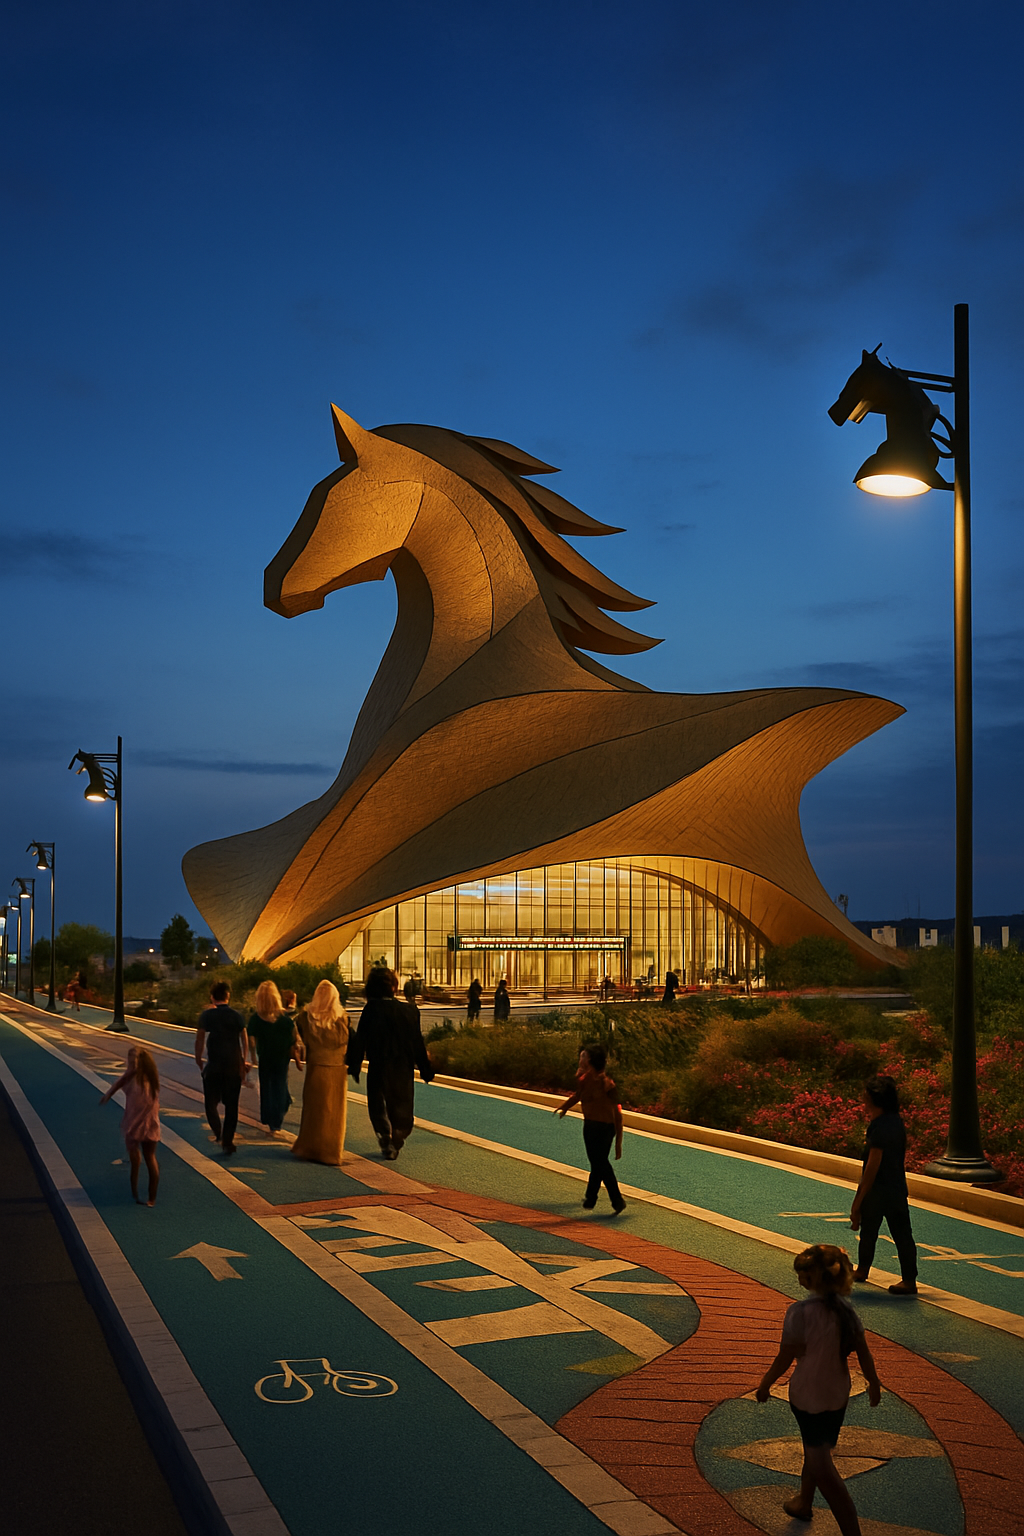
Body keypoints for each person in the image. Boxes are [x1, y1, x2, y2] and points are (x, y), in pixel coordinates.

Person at [756, 1244, 882, 1535]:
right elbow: (863, 1351)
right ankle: (804, 1501)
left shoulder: (799, 1312)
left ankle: (851, 1529)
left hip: (808, 1392)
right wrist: (873, 1383)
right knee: (818, 1447)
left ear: (811, 1279)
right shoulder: (847, 1313)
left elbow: (786, 1354)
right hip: (837, 1392)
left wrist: (766, 1383)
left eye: (803, 1274)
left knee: (823, 1466)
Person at [349, 967, 433, 1159]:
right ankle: (398, 1137)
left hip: (379, 1064)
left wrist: (354, 1064)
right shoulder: (410, 1011)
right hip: (402, 1067)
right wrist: (426, 1069)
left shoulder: (371, 1010)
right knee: (402, 1104)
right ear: (394, 987)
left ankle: (384, 1134)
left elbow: (361, 1039)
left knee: (378, 1104)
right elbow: (417, 1042)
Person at [850, 1074, 918, 1295]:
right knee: (902, 1234)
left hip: (879, 1190)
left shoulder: (879, 1127)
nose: (863, 1099)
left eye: (866, 1096)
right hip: (897, 1187)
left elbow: (872, 1166)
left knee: (869, 1230)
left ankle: (862, 1270)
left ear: (874, 1099)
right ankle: (909, 1278)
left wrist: (858, 1199)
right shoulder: (896, 1122)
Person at [554, 1044, 626, 1214]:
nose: (580, 1059)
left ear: (591, 1060)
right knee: (596, 1163)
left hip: (605, 1128)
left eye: (583, 1056)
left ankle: (615, 1200)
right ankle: (591, 1198)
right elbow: (578, 1096)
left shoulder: (607, 1084)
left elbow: (617, 1112)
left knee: (601, 1163)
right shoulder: (583, 1080)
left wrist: (618, 1143)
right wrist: (565, 1107)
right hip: (590, 1127)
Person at [292, 980, 349, 1165]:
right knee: (334, 1114)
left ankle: (309, 1147)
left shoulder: (306, 1017)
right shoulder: (343, 1018)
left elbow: (293, 1028)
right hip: (337, 1070)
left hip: (316, 1067)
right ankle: (331, 1152)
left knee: (314, 1111)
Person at [99, 1045, 161, 1205]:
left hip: (141, 1124)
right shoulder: (147, 1077)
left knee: (145, 1158)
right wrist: (108, 1094)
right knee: (140, 1159)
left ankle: (148, 1196)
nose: (131, 1063)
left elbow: (122, 1083)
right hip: (141, 1124)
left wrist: (108, 1094)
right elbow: (120, 1082)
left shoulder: (146, 1079)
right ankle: (141, 1195)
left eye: (133, 1060)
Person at [195, 980, 248, 1157]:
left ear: (212, 996)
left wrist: (198, 1059)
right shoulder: (237, 1016)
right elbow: (244, 1039)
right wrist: (244, 1061)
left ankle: (218, 1132)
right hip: (233, 1066)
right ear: (227, 996)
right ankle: (228, 1140)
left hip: (214, 1066)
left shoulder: (206, 1016)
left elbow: (200, 1039)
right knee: (232, 1105)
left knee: (210, 1103)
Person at [247, 979, 298, 1136]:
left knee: (267, 1088)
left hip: (265, 1056)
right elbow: (293, 1037)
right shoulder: (284, 1018)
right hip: (282, 1057)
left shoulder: (256, 1019)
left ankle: (270, 1119)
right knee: (280, 1084)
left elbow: (251, 1039)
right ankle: (279, 1115)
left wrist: (253, 1056)